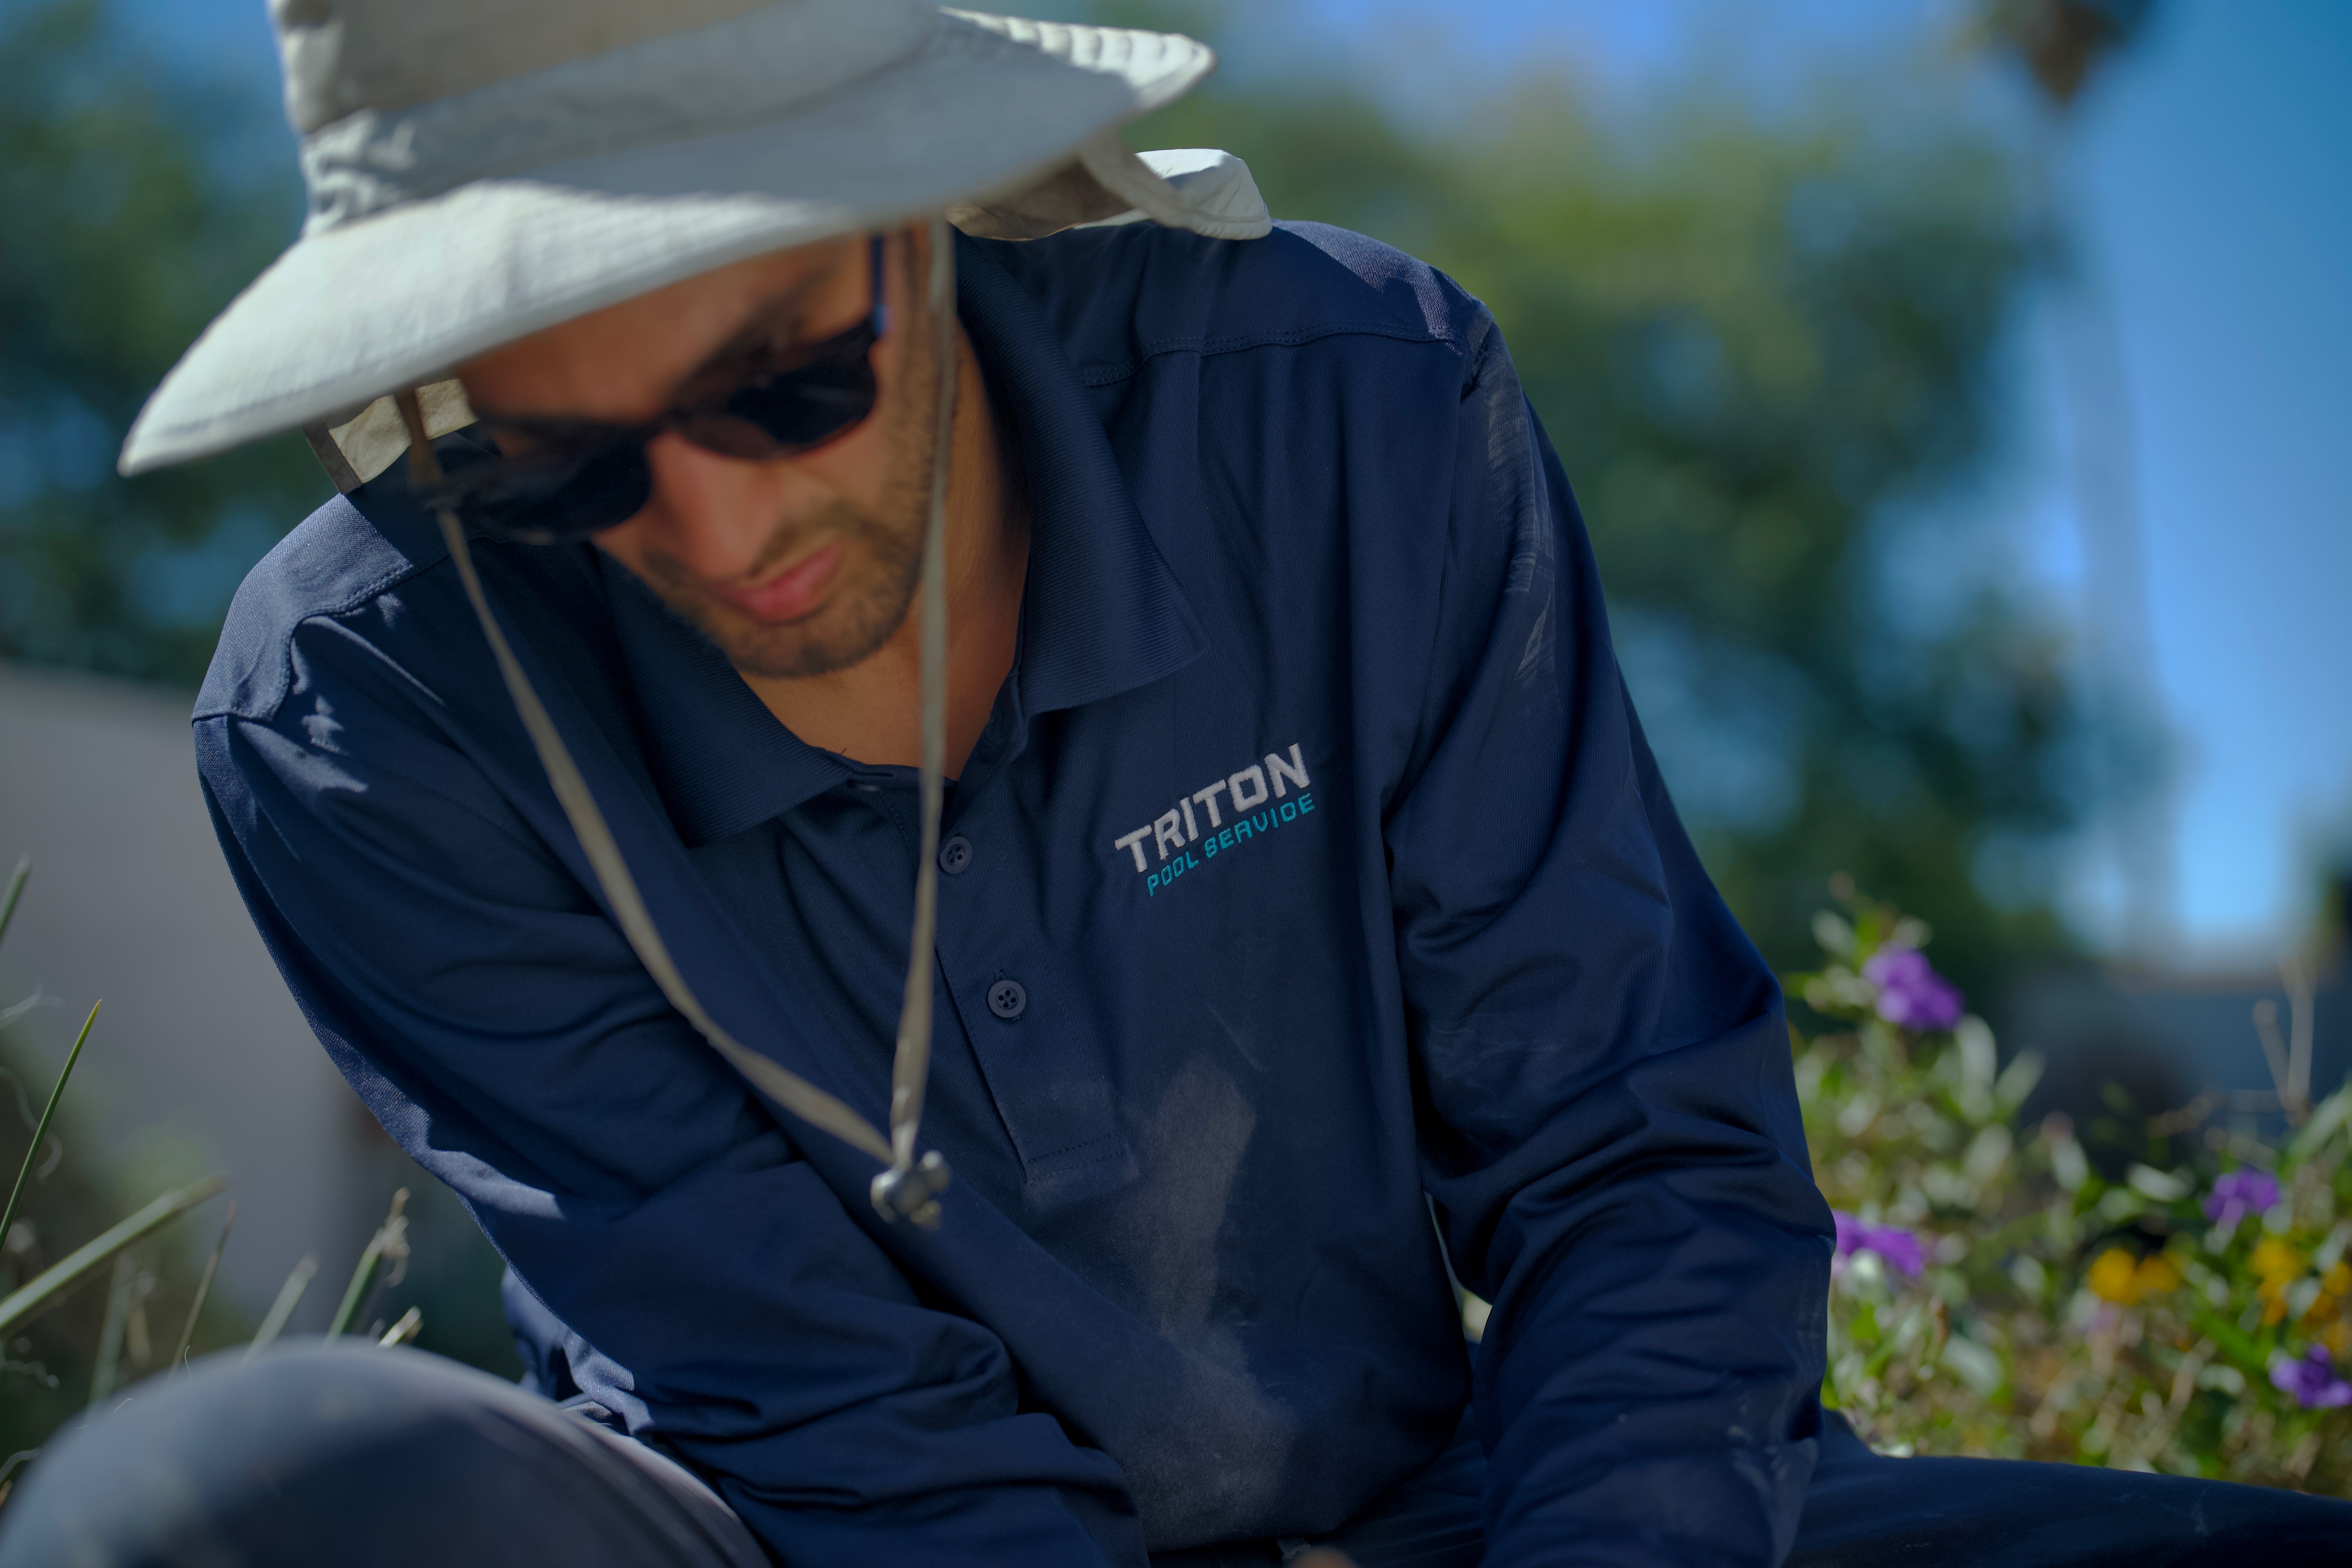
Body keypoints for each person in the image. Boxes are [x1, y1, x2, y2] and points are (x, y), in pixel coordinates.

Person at [2, 4, 2344, 1566]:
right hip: (809, 1542)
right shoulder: (358, 718)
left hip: (1466, 1513)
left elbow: (1633, 1156)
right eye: (565, 465)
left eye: (783, 383)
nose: (715, 530)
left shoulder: (1355, 411)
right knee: (216, 1508)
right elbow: (808, 1398)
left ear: (927, 210)